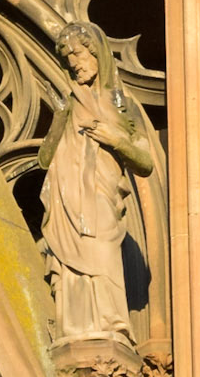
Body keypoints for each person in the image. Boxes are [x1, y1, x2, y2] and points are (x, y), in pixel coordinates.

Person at [37, 21, 152, 346]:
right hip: (66, 201)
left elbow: (145, 162)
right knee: (72, 267)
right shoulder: (69, 103)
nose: (74, 62)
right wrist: (59, 117)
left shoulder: (118, 102)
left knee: (102, 256)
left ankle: (113, 326)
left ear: (97, 53)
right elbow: (44, 160)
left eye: (79, 53)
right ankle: (76, 328)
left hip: (102, 199)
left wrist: (116, 139)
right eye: (67, 56)